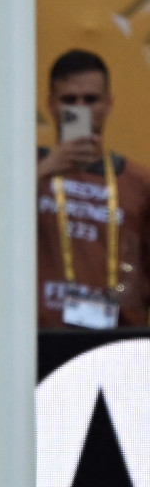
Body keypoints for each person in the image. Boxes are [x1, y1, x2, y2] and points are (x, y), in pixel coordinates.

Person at [31, 49, 150, 328]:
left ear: (109, 104)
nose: (80, 109)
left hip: (115, 341)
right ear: (51, 104)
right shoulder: (18, 169)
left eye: (91, 100)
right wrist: (42, 172)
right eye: (69, 100)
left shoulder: (138, 181)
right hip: (36, 338)